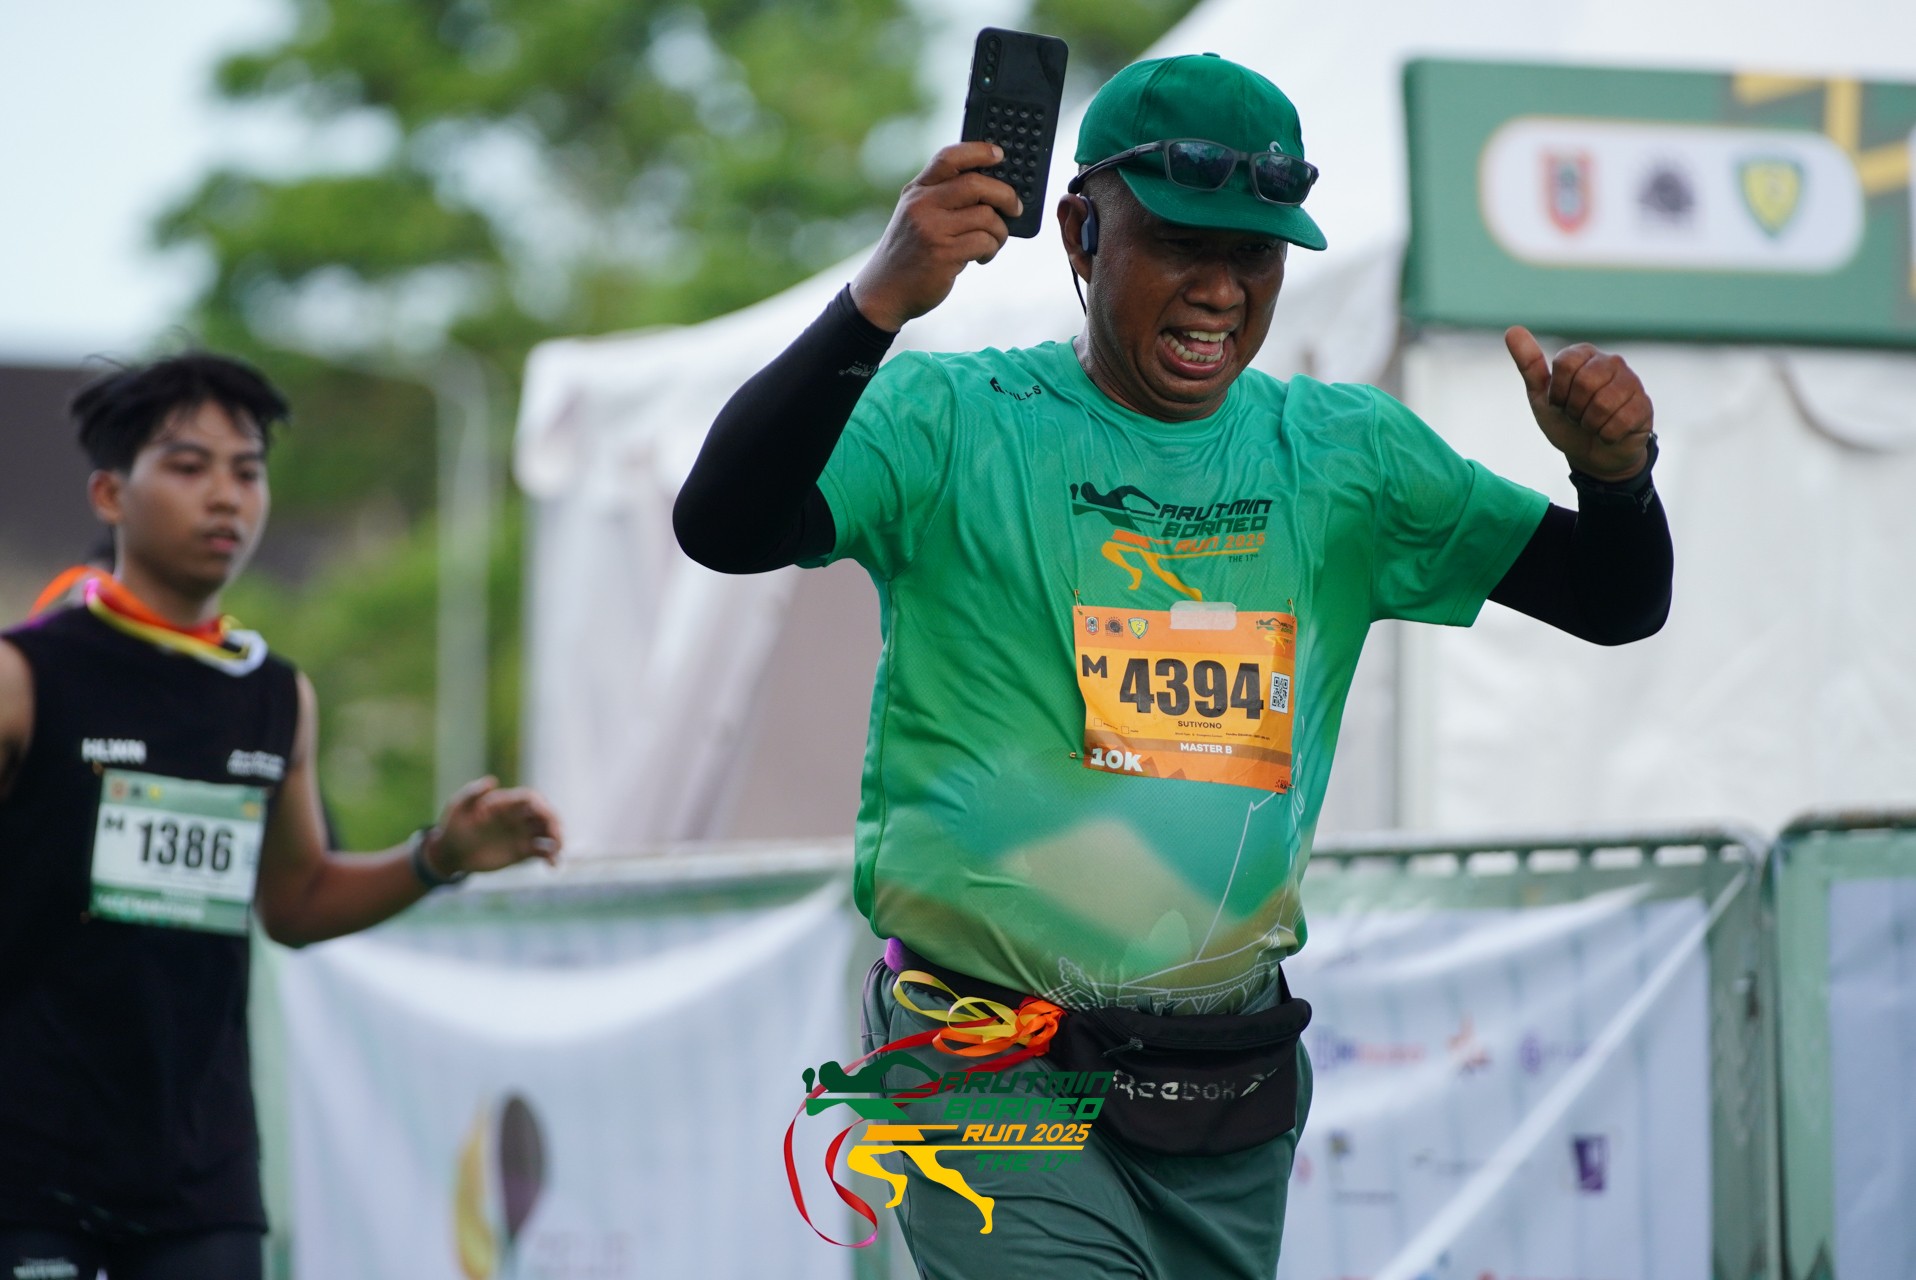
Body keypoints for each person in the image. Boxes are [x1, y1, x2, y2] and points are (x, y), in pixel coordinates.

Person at [676, 53, 1669, 1280]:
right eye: (1179, 244)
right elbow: (721, 525)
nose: (1218, 289)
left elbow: (1612, 600)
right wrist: (876, 300)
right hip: (987, 1055)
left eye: (1255, 256)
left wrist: (1614, 478)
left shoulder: (1341, 455)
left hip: (1221, 1080)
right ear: (1080, 234)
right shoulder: (950, 417)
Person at [0, 354, 565, 1280]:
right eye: (189, 466)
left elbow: (298, 902)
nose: (225, 496)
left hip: (201, 1183)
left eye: (247, 470)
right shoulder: (25, 678)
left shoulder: (274, 697)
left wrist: (440, 854)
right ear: (110, 493)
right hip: (26, 1174)